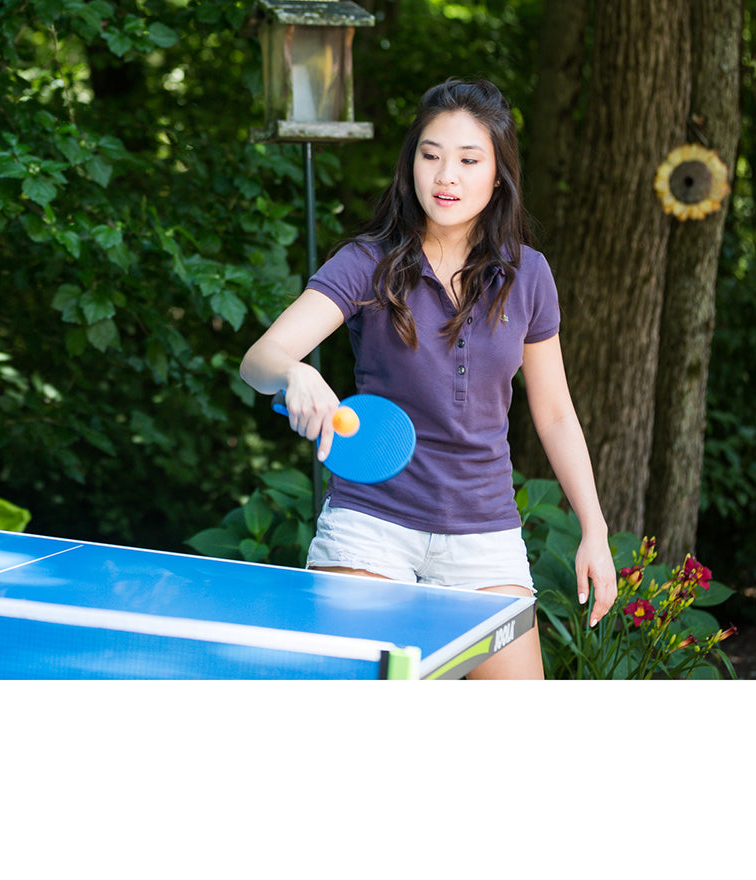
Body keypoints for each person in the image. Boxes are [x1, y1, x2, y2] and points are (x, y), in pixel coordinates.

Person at [240, 76, 616, 678]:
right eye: (431, 155)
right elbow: (259, 361)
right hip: (371, 528)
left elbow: (554, 413)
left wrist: (593, 530)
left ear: (498, 175)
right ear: (411, 162)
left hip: (487, 534)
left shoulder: (530, 276)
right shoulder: (366, 263)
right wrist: (292, 372)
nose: (447, 176)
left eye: (469, 160)